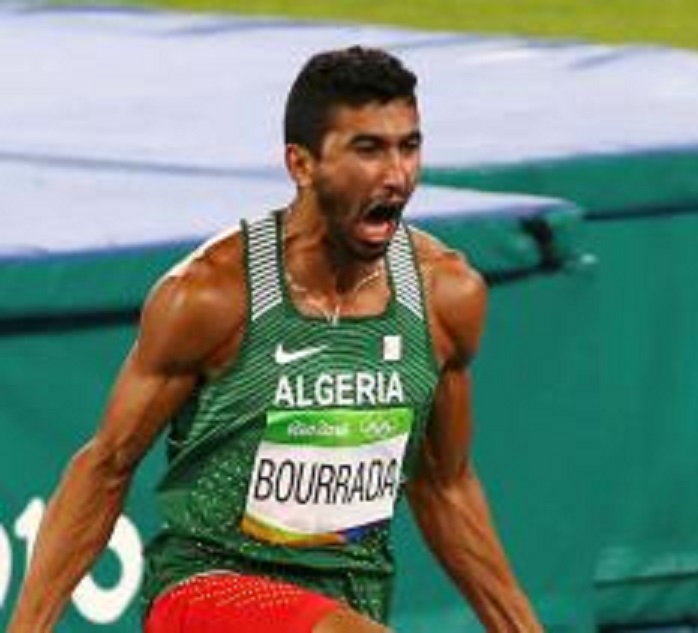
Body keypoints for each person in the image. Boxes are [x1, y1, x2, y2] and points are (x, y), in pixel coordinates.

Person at [9, 46, 543, 632]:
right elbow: (107, 465)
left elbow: (444, 486)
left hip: (349, 604)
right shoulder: (211, 295)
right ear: (301, 164)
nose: (397, 175)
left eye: (408, 147)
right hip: (207, 590)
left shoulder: (445, 297)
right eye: (368, 150)